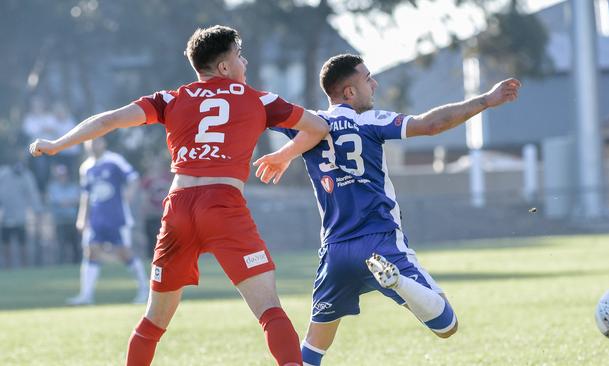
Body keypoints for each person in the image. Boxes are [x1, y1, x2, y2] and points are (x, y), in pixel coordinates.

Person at [29, 25, 329, 366]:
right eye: (239, 56)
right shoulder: (260, 99)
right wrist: (283, 155)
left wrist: (56, 145)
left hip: (178, 208)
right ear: (225, 68)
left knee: (153, 322)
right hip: (223, 206)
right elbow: (319, 127)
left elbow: (108, 121)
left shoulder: (171, 98)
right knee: (269, 310)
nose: (245, 62)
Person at [254, 54, 521, 365]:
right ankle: (397, 281)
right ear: (349, 92)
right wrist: (486, 100)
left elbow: (260, 103)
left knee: (313, 348)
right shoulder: (371, 120)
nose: (374, 84)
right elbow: (431, 124)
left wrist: (223, 85)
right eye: (367, 78)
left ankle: (393, 282)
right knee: (448, 325)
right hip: (381, 243)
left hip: (336, 252)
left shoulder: (308, 123)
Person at [63, 137, 149, 305]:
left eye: (97, 141)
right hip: (96, 218)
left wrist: (130, 193)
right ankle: (86, 295)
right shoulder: (86, 167)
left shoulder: (114, 160)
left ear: (104, 142)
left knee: (124, 253)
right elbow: (86, 194)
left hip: (117, 216)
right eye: (89, 141)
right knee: (91, 251)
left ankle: (145, 289)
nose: (93, 144)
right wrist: (82, 218)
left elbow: (133, 177)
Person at [0, 150, 43, 268]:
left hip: (20, 217)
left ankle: (25, 268)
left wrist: (37, 211)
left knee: (23, 245)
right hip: (5, 217)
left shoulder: (27, 176)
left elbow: (33, 195)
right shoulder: (3, 174)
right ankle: (8, 268)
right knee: (6, 245)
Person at [46, 164, 81, 264]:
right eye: (60, 175)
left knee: (75, 246)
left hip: (73, 220)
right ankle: (60, 265)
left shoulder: (74, 186)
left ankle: (76, 265)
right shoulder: (52, 187)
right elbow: (56, 201)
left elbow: (77, 200)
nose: (62, 177)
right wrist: (69, 202)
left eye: (64, 175)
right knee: (61, 246)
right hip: (60, 221)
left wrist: (65, 202)